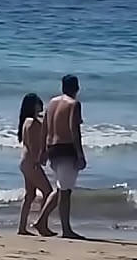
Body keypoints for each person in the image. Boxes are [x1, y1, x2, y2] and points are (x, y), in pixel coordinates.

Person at [40, 75, 87, 240]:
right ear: (77, 88)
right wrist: (80, 154)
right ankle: (66, 230)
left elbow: (45, 127)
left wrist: (42, 151)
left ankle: (41, 221)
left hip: (52, 148)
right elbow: (74, 130)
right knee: (65, 191)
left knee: (61, 188)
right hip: (67, 148)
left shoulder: (51, 103)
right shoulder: (74, 104)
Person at [16, 93, 56, 236]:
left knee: (30, 195)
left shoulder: (26, 121)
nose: (41, 106)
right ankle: (42, 223)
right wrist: (38, 160)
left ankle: (22, 227)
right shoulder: (33, 122)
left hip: (25, 162)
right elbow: (33, 145)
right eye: (38, 104)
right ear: (33, 106)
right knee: (48, 192)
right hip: (31, 161)